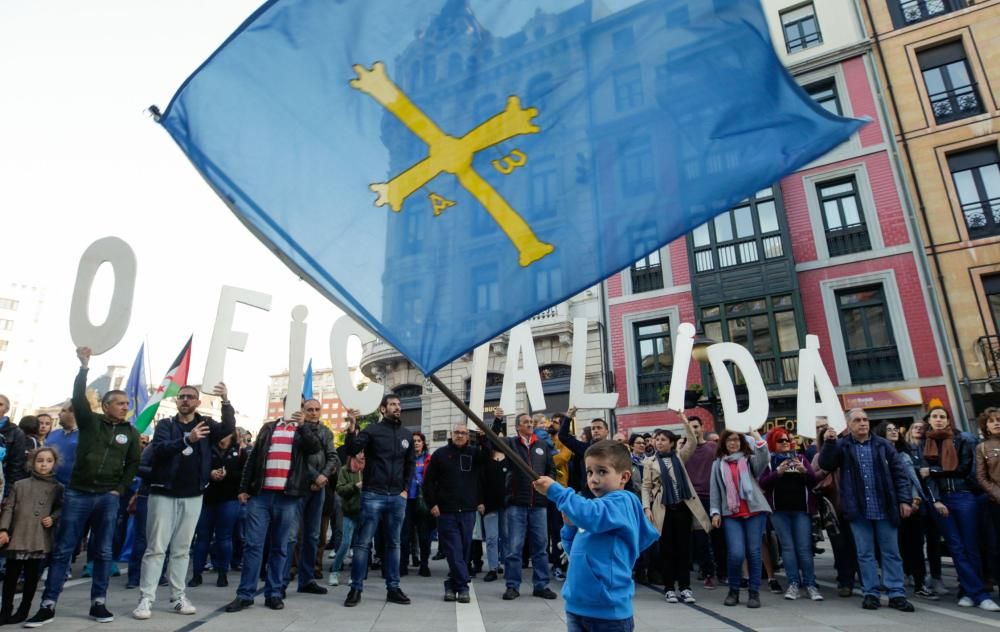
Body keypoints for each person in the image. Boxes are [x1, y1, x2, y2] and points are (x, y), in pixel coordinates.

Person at [25, 347, 142, 628]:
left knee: (102, 551)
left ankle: (98, 602)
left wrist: (119, 489)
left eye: (127, 403)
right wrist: (84, 366)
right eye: (120, 403)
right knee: (64, 549)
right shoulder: (90, 423)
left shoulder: (131, 433)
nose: (126, 407)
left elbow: (132, 465)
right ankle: (48, 604)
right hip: (78, 494)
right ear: (106, 406)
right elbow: (79, 397)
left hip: (107, 498)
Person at [131, 384, 234, 620]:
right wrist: (188, 440)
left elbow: (228, 427)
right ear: (177, 401)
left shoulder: (206, 425)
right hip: (163, 493)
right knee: (156, 548)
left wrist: (225, 400)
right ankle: (146, 598)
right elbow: (160, 449)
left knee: (182, 549)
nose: (185, 400)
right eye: (182, 397)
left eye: (190, 397)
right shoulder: (166, 425)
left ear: (198, 402)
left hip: (193, 495)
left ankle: (178, 596)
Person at [533, 440, 658, 632]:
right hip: (577, 607)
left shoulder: (622, 501)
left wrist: (557, 491)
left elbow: (591, 515)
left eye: (602, 471)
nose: (594, 479)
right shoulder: (597, 507)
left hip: (608, 614)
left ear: (624, 476)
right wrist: (569, 526)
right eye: (590, 472)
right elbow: (574, 551)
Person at [223, 403, 323, 613]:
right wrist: (243, 488)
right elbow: (254, 458)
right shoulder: (269, 428)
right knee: (253, 546)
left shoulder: (304, 430)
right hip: (261, 496)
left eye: (300, 407)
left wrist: (303, 425)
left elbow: (314, 449)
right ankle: (245, 594)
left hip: (288, 498)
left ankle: (274, 593)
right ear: (285, 406)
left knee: (280, 547)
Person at [818, 408, 915, 612]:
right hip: (858, 509)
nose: (863, 423)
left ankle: (896, 593)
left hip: (885, 508)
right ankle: (870, 593)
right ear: (849, 425)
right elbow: (826, 463)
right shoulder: (843, 446)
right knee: (865, 554)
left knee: (891, 552)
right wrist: (829, 442)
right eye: (857, 420)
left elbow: (899, 473)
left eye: (865, 419)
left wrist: (904, 500)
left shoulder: (883, 445)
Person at [916, 406, 999, 611]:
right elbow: (924, 478)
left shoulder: (963, 440)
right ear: (929, 420)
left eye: (942, 416)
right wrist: (935, 500)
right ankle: (975, 593)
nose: (938, 419)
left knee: (971, 546)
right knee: (956, 547)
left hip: (964, 497)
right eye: (934, 416)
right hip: (942, 500)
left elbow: (963, 470)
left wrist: (934, 471)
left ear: (948, 420)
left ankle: (973, 592)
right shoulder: (924, 443)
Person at [342, 395, 415, 607]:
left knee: (394, 544)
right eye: (393, 404)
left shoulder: (406, 435)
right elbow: (352, 449)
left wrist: (405, 489)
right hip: (373, 494)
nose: (398, 408)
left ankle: (393, 588)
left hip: (397, 498)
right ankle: (355, 588)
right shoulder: (372, 430)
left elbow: (410, 464)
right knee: (363, 544)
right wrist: (352, 428)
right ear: (383, 409)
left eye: (399, 404)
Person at [641, 419, 711, 605]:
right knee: (667, 550)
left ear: (672, 442)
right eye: (657, 439)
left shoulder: (679, 457)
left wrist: (684, 421)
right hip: (663, 510)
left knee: (683, 550)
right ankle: (669, 588)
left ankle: (686, 588)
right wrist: (646, 508)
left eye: (663, 439)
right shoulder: (650, 462)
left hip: (683, 508)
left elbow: (693, 442)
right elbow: (646, 487)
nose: (659, 442)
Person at [423, 423, 485, 603]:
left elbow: (489, 457)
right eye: (457, 432)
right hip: (446, 511)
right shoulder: (440, 454)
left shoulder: (474, 454)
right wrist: (432, 504)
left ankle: (451, 585)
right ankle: (463, 585)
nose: (460, 435)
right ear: (451, 434)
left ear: (468, 436)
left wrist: (483, 438)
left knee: (464, 549)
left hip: (467, 510)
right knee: (453, 549)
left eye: (463, 433)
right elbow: (428, 482)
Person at [872, 421, 935, 600]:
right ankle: (897, 580)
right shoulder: (876, 454)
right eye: (889, 430)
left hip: (911, 505)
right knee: (893, 547)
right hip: (889, 507)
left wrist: (914, 499)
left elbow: (913, 479)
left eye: (895, 429)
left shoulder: (905, 455)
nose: (894, 432)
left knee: (915, 545)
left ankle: (919, 582)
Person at [758, 428, 822, 601]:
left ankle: (810, 584)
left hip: (801, 509)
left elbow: (813, 481)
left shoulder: (800, 458)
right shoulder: (770, 461)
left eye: (787, 440)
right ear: (773, 443)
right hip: (779, 511)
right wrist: (777, 473)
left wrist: (804, 471)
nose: (785, 442)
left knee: (803, 548)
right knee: (787, 548)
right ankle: (793, 583)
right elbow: (763, 483)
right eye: (780, 440)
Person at [708, 428, 769, 608]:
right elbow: (715, 490)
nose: (733, 443)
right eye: (729, 440)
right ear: (724, 443)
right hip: (731, 513)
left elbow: (764, 459)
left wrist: (757, 436)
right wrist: (715, 512)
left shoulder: (749, 460)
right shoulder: (718, 464)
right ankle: (733, 590)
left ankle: (754, 592)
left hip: (754, 511)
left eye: (736, 440)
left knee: (754, 552)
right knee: (736, 553)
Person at [0, 447, 59, 624]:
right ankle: (5, 610)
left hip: (38, 538)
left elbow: (61, 507)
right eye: (40, 460)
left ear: (55, 464)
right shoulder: (20, 485)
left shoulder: (57, 487)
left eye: (49, 461)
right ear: (32, 462)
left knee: (31, 577)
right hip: (18, 536)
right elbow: (9, 508)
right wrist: (3, 529)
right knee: (11, 576)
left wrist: (53, 518)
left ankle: (24, 609)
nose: (44, 464)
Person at [287, 398, 339, 596]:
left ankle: (307, 579)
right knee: (292, 536)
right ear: (303, 410)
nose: (314, 413)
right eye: (310, 409)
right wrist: (314, 476)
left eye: (317, 409)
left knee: (314, 536)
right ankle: (284, 577)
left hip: (319, 489)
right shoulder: (295, 430)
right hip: (299, 488)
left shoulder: (326, 431)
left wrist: (324, 476)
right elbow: (296, 459)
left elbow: (332, 456)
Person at [503, 412, 557, 601]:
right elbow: (491, 444)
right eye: (525, 422)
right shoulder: (510, 444)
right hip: (517, 502)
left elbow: (551, 470)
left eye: (531, 422)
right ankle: (512, 585)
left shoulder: (542, 445)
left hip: (539, 504)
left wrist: (549, 486)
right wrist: (497, 422)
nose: (529, 425)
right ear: (517, 426)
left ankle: (541, 585)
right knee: (514, 547)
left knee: (541, 547)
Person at [189, 429, 246, 588]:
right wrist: (210, 473)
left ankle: (222, 573)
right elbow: (196, 469)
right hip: (207, 499)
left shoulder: (240, 451)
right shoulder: (206, 449)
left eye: (226, 432)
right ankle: (197, 574)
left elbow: (245, 474)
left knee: (224, 538)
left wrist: (228, 475)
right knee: (202, 538)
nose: (222, 436)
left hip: (229, 499)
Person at [811, 425, 858, 598]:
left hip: (852, 506)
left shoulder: (848, 453)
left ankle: (859, 575)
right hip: (833, 509)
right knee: (840, 546)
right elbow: (812, 479)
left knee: (856, 544)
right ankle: (844, 580)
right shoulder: (818, 457)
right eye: (827, 439)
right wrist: (824, 470)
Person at [685, 416, 722, 589]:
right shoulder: (684, 450)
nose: (693, 429)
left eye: (696, 426)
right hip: (694, 499)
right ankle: (708, 573)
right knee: (700, 539)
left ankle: (722, 571)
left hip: (713, 496)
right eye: (690, 427)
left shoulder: (713, 448)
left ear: (702, 427)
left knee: (718, 536)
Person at [975, 407, 1000, 603]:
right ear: (986, 426)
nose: (997, 423)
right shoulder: (982, 447)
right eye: (992, 421)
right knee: (996, 547)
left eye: (999, 419)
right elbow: (981, 477)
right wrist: (997, 494)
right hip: (995, 504)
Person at [328, 452, 364, 587]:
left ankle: (354, 575)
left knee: (360, 546)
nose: (362, 456)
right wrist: (355, 486)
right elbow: (340, 489)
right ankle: (335, 571)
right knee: (345, 543)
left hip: (364, 513)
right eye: (359, 453)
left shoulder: (369, 468)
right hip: (349, 511)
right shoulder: (345, 469)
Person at [399, 431, 432, 578]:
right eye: (414, 441)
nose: (417, 443)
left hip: (423, 502)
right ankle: (403, 564)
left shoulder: (429, 459)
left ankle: (424, 565)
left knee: (424, 535)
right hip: (406, 501)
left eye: (419, 440)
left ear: (423, 443)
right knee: (405, 535)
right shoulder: (404, 458)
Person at [558, 408, 609, 495]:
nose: (595, 430)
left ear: (607, 431)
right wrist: (568, 417)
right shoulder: (584, 448)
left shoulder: (614, 449)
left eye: (599, 428)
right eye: (593, 429)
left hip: (609, 492)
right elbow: (563, 436)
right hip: (590, 494)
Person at [45, 402, 78, 487]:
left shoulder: (87, 437)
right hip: (46, 485)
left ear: (74, 413)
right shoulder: (52, 434)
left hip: (70, 490)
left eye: (63, 411)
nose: (59, 414)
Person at [0, 396, 28, 494]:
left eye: (0, 404)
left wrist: (8, 492)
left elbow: (16, 465)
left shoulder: (16, 433)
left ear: (7, 409)